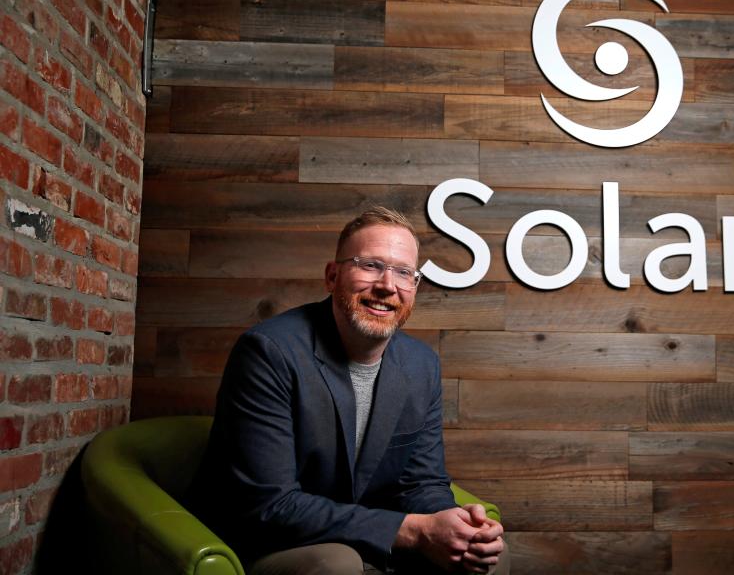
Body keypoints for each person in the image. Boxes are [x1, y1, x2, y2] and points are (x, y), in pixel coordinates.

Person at [188, 207, 508, 574]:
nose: (388, 284)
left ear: (414, 287)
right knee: (337, 564)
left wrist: (457, 525)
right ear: (332, 275)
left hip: (365, 538)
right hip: (270, 542)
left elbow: (421, 482)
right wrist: (413, 531)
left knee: (484, 561)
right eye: (370, 265)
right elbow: (269, 505)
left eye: (404, 272)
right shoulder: (268, 352)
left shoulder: (422, 366)